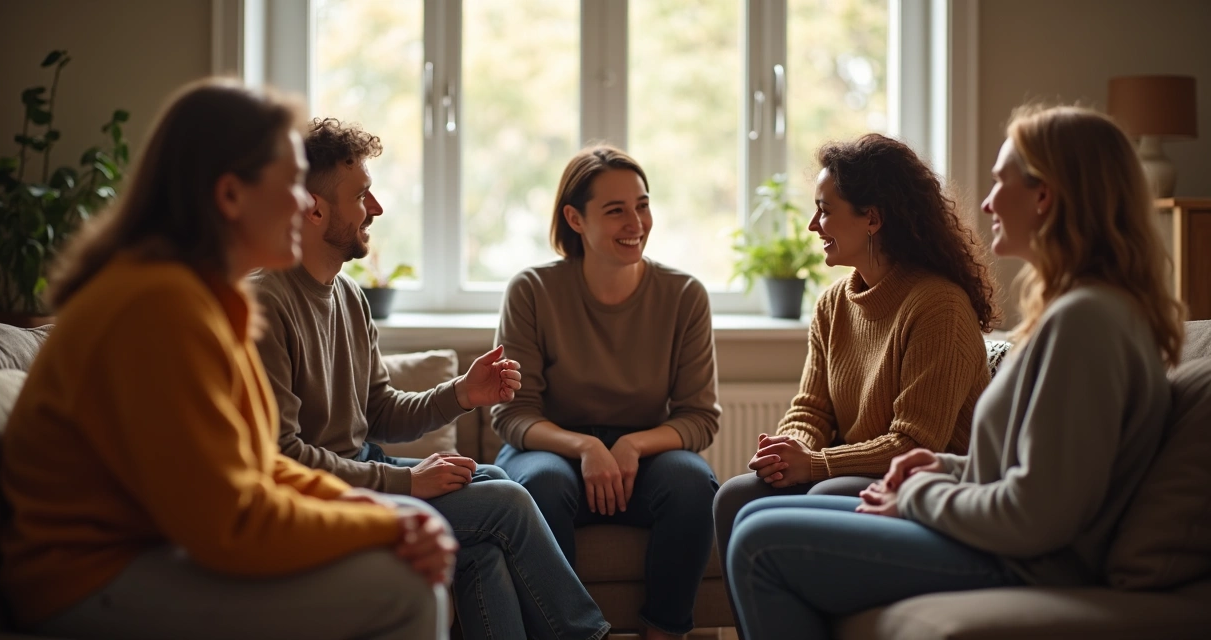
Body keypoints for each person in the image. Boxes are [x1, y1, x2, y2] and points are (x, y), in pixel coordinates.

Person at [0, 79, 456, 640]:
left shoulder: (214, 298)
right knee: (404, 587)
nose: (304, 201)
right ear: (230, 195)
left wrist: (389, 515)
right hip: (87, 577)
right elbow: (232, 522)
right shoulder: (160, 303)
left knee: (402, 568)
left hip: (156, 546)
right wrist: (383, 524)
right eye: (290, 182)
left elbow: (261, 467)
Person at [726, 105, 1184, 639]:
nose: (986, 201)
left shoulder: (1085, 321)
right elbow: (1024, 471)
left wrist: (916, 493)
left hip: (1025, 563)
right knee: (748, 511)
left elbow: (1037, 514)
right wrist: (937, 466)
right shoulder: (1079, 311)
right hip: (1001, 541)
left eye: (998, 182)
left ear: (1044, 197)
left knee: (758, 543)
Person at [251, 117, 609, 640]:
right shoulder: (264, 303)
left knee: (492, 508)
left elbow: (379, 413)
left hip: (361, 470)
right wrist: (406, 483)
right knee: (506, 504)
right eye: (362, 196)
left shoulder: (349, 297)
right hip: (314, 500)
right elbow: (282, 457)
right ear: (313, 208)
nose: (376, 209)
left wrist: (463, 392)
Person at [712, 133, 998, 628]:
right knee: (734, 495)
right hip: (847, 470)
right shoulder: (832, 304)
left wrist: (815, 464)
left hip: (915, 481)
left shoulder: (939, 307)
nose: (812, 225)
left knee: (826, 494)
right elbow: (812, 409)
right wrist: (788, 451)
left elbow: (915, 441)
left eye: (825, 210)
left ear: (872, 217)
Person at [492, 145, 721, 640]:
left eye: (642, 205)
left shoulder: (684, 296)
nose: (635, 222)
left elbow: (699, 417)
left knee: (691, 485)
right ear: (574, 218)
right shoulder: (531, 291)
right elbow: (513, 414)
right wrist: (586, 446)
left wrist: (632, 445)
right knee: (543, 487)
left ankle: (665, 631)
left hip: (643, 454)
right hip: (549, 449)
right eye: (615, 210)